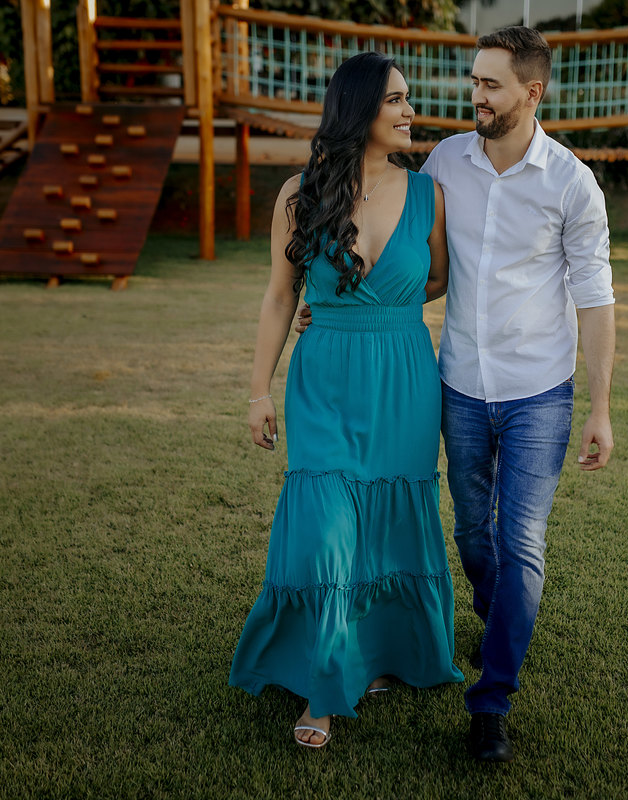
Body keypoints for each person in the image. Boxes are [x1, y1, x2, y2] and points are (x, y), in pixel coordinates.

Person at [228, 51, 462, 749]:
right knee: (329, 528)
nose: (408, 110)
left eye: (408, 99)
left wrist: (371, 306)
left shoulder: (430, 195)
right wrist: (257, 390)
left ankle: (382, 656)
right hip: (324, 380)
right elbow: (279, 295)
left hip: (404, 379)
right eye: (394, 99)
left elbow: (436, 279)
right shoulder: (300, 195)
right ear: (358, 110)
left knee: (392, 522)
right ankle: (323, 688)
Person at [422, 26, 617, 763]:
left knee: (520, 541)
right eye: (474, 81)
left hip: (539, 392)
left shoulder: (571, 182)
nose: (476, 95)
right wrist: (336, 299)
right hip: (461, 385)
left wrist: (599, 407)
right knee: (474, 536)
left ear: (533, 93)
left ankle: (491, 700)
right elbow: (417, 259)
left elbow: (595, 300)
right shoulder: (445, 161)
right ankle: (497, 608)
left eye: (491, 84)